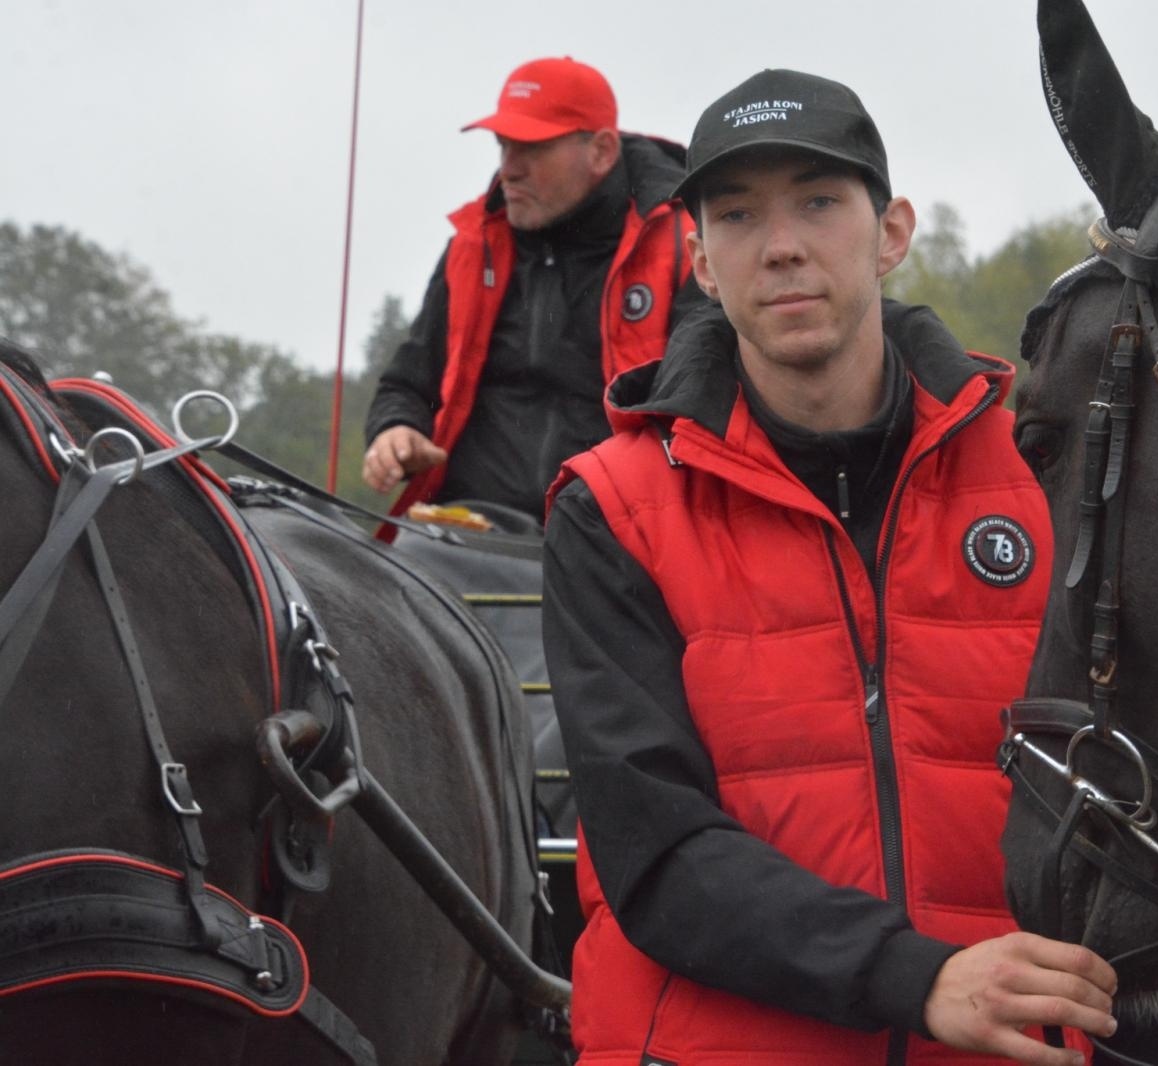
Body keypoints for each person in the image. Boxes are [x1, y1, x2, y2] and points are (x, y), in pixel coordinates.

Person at [543, 68, 1116, 1066]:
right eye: (737, 216)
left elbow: (1128, 793)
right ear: (702, 262)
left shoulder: (1041, 468)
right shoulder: (613, 506)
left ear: (891, 231)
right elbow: (658, 854)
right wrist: (921, 977)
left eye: (817, 202)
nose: (782, 246)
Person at [363, 56, 702, 522]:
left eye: (531, 148)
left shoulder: (685, 247)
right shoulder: (471, 246)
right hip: (460, 525)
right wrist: (394, 430)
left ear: (602, 151)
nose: (509, 169)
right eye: (504, 145)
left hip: (614, 534)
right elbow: (407, 384)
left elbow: (704, 416)